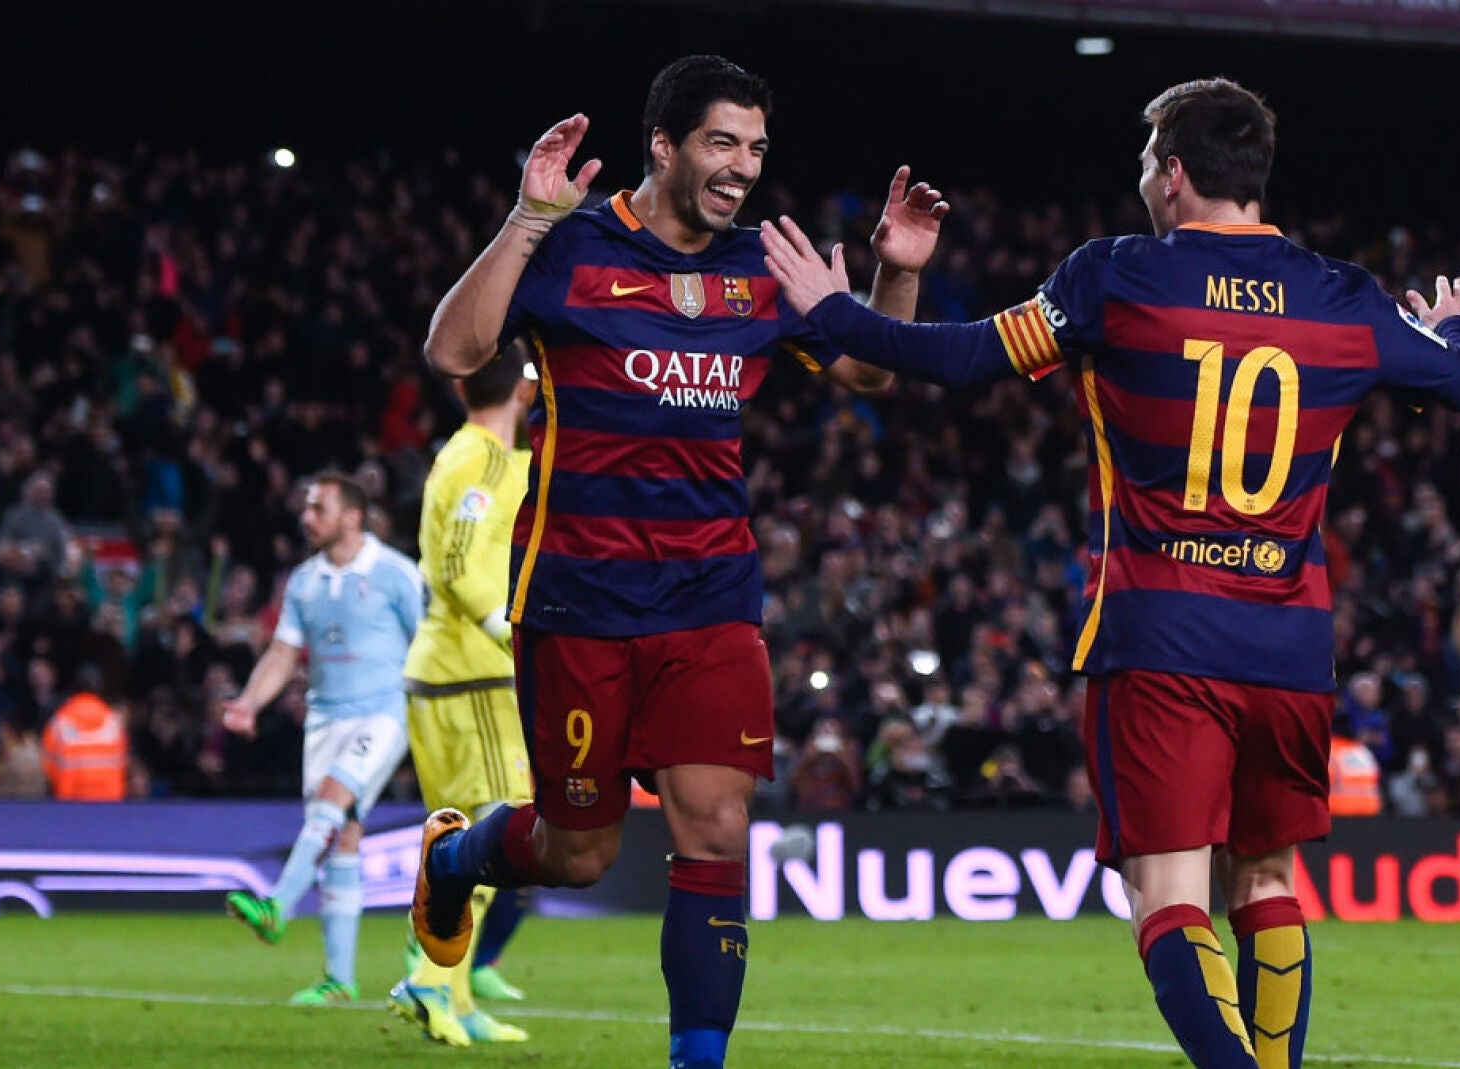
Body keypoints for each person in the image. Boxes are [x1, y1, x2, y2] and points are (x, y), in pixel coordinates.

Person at [761, 75, 1460, 1069]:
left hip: (1163, 636)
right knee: (1267, 879)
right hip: (1290, 646)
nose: (1142, 177)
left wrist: (833, 312)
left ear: (1174, 174)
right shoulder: (1345, 296)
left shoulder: (1117, 278)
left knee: (1167, 896)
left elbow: (963, 359)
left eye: (1147, 160)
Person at [408, 55, 946, 1069]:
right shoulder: (572, 248)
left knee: (716, 828)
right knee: (578, 852)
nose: (742, 166)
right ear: (663, 144)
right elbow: (453, 352)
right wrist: (525, 218)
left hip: (709, 597)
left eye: (756, 147)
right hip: (578, 598)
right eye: (720, 142)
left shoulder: (763, 265)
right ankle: (457, 855)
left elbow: (872, 373)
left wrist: (898, 274)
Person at [221, 473, 424, 1006]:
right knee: (342, 837)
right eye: (306, 508)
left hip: (383, 713)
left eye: (318, 509)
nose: (306, 518)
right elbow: (283, 653)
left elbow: (429, 640)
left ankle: (277, 906)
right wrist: (249, 703)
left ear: (352, 517)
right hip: (325, 720)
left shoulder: (395, 573)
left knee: (334, 799)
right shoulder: (304, 582)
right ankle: (339, 979)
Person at [386, 344, 539, 1045]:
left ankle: (454, 995)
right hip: (470, 672)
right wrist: (505, 630)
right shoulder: (483, 458)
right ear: (523, 391)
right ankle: (428, 978)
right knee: (498, 830)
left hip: (445, 671)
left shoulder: (470, 455)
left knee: (455, 838)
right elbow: (455, 563)